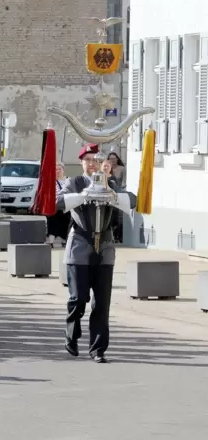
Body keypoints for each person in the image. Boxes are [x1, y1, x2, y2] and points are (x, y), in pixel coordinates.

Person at [57, 144, 136, 363]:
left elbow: (132, 201)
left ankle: (98, 349)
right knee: (78, 298)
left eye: (96, 160)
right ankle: (71, 335)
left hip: (105, 248)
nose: (92, 164)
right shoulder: (74, 182)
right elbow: (59, 202)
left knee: (101, 303)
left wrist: (110, 189)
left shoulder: (112, 184)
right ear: (81, 162)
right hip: (80, 245)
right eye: (88, 160)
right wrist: (84, 194)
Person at [46, 163, 71, 246]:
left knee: (66, 222)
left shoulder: (68, 180)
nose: (58, 171)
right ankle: (51, 242)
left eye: (59, 169)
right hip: (55, 206)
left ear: (63, 170)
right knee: (52, 222)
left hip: (66, 205)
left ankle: (64, 240)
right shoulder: (50, 181)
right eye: (56, 169)